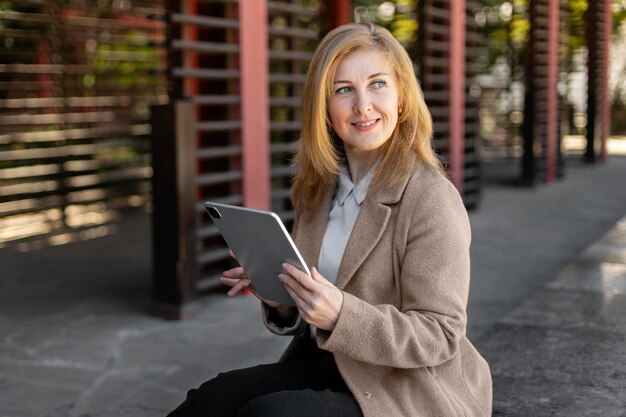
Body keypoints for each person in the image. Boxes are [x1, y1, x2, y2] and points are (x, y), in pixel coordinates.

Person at [167, 22, 492, 417]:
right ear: (325, 107)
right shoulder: (317, 190)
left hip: (409, 387)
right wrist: (281, 297)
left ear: (403, 97)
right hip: (333, 363)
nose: (362, 105)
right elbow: (311, 304)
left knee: (270, 414)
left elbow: (440, 335)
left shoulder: (431, 198)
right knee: (211, 399)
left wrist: (341, 314)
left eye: (377, 84)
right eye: (343, 90)